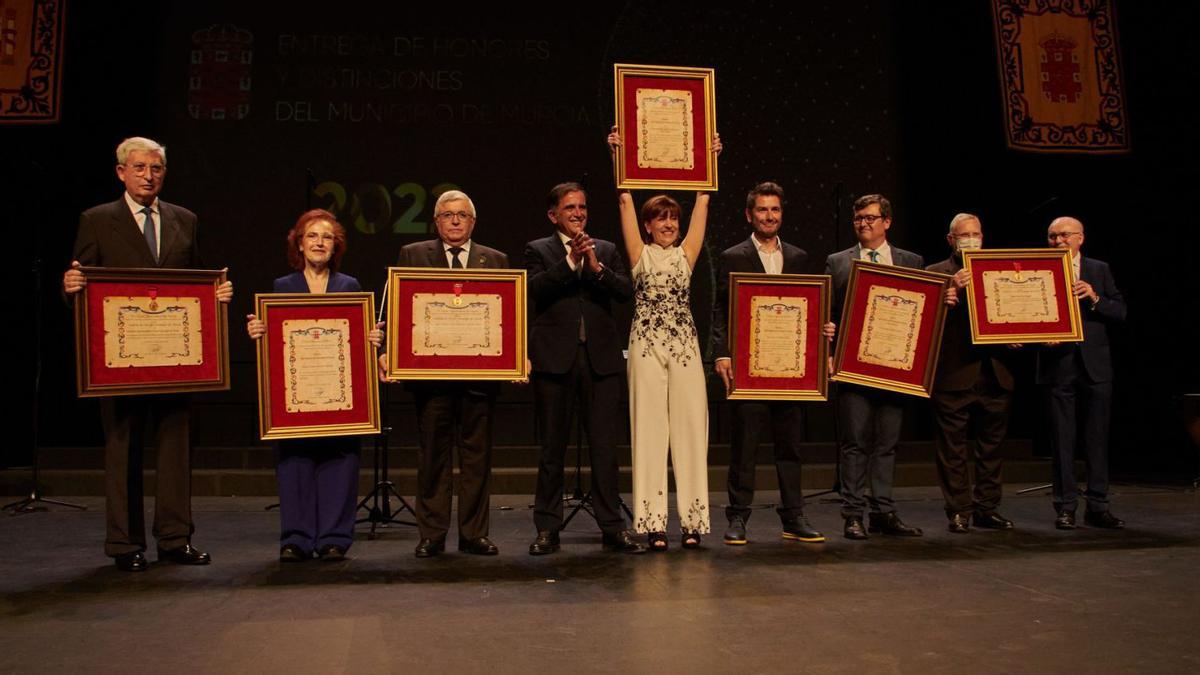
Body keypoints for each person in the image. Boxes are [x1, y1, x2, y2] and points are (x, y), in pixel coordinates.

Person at [62, 136, 233, 571]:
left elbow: (196, 281)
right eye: (139, 168)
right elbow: (83, 284)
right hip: (119, 362)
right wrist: (71, 290)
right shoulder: (98, 220)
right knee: (123, 450)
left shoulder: (184, 220)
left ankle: (175, 539)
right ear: (121, 172)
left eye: (155, 168)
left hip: (175, 359)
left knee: (176, 450)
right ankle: (124, 544)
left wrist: (219, 294)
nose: (148, 176)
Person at [245, 209, 383, 561]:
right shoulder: (283, 287)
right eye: (312, 236)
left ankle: (334, 538)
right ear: (300, 245)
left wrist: (371, 337)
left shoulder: (349, 286)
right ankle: (297, 538)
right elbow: (275, 339)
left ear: (335, 246)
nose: (319, 243)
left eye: (327, 237)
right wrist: (259, 332)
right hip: (296, 395)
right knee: (295, 462)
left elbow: (356, 337)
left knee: (341, 462)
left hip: (340, 392)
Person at [609, 127, 720, 551]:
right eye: (661, 218)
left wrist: (710, 160)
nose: (670, 224)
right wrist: (618, 154)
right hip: (645, 347)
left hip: (685, 347)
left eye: (673, 217)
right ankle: (654, 524)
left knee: (692, 430)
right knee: (650, 431)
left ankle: (692, 523)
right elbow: (623, 199)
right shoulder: (639, 254)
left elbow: (703, 202)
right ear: (648, 225)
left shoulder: (686, 255)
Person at [384, 190, 509, 557]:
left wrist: (518, 358)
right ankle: (432, 534)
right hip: (431, 378)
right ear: (436, 222)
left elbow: (508, 317)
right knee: (433, 458)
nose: (455, 221)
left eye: (462, 215)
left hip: (480, 379)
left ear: (473, 222)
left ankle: (473, 534)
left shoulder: (496, 260)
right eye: (447, 215)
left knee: (476, 459)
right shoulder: (414, 255)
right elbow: (400, 310)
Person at [524, 182, 646, 555]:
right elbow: (533, 290)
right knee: (552, 450)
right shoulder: (538, 250)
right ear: (553, 215)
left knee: (605, 449)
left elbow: (626, 291)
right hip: (554, 361)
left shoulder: (605, 249)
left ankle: (612, 526)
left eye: (582, 207)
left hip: (601, 361)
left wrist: (595, 267)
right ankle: (548, 528)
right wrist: (570, 263)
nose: (578, 213)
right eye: (570, 208)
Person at [710, 181, 824, 545]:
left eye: (775, 210)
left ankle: (793, 517)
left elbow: (810, 308)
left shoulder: (799, 257)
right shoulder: (732, 256)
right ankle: (738, 517)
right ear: (749, 214)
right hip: (748, 367)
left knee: (790, 446)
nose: (769, 216)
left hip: (790, 369)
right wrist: (721, 353)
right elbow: (719, 311)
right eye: (762, 210)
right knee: (745, 446)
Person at [825, 194, 933, 540]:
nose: (863, 224)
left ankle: (883, 512)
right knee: (855, 443)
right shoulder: (838, 262)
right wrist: (828, 338)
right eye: (858, 219)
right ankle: (853, 514)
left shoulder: (911, 261)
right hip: (852, 366)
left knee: (887, 443)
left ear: (887, 222)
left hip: (895, 367)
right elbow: (826, 312)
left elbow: (923, 312)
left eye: (871, 218)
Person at [927, 213, 1016, 534]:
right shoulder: (935, 274)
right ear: (951, 240)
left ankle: (987, 508)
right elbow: (923, 326)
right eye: (965, 235)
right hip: (954, 374)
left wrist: (1021, 331)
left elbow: (1015, 311)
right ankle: (959, 510)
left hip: (995, 372)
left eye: (977, 234)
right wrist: (949, 293)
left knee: (991, 448)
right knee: (952, 450)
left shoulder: (1001, 271)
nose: (972, 240)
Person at [1037, 216, 1126, 529]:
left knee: (1097, 439)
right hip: (1058, 365)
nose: (1058, 241)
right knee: (1062, 441)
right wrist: (1040, 333)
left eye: (1064, 235)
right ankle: (1065, 507)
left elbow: (1119, 310)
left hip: (1095, 366)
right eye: (1052, 237)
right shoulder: (1036, 270)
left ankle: (1098, 505)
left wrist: (1095, 298)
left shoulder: (1098, 269)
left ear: (1080, 238)